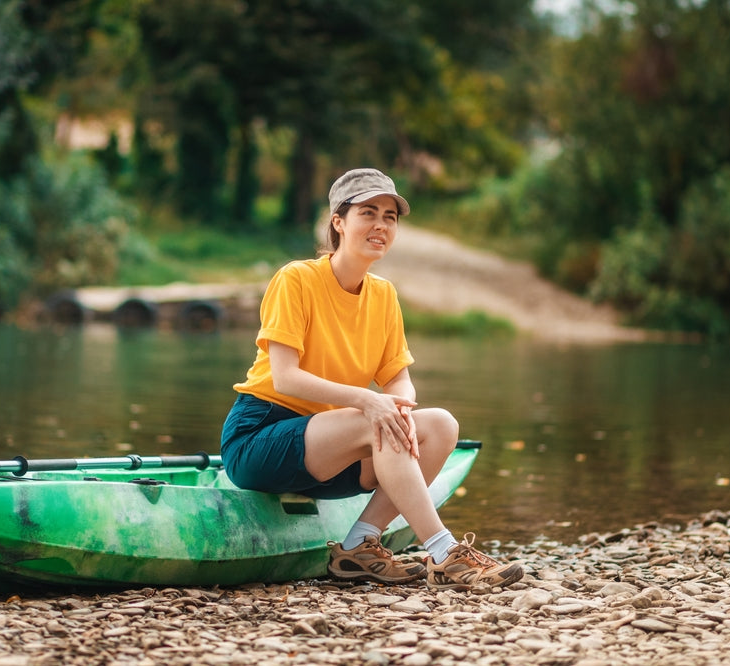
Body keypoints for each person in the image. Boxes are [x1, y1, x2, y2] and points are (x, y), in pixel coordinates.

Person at [220, 168, 523, 591]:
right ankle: (443, 551)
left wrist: (396, 405)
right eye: (368, 212)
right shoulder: (297, 279)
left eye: (390, 216)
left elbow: (399, 379)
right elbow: (286, 379)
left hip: (334, 449)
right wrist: (369, 403)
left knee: (440, 425)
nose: (380, 225)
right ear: (339, 222)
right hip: (261, 436)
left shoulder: (383, 295)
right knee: (373, 416)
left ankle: (360, 546)